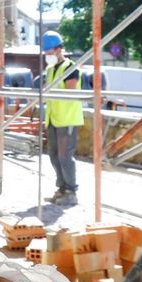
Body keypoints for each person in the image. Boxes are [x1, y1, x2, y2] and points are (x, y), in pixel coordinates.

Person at [41, 31, 82, 206]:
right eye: (45, 52)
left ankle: (71, 192)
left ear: (58, 49)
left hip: (67, 119)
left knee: (65, 156)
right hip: (53, 118)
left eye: (49, 51)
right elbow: (46, 89)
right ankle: (61, 189)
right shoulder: (50, 69)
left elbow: (70, 92)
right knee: (54, 155)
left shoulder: (71, 68)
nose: (47, 55)